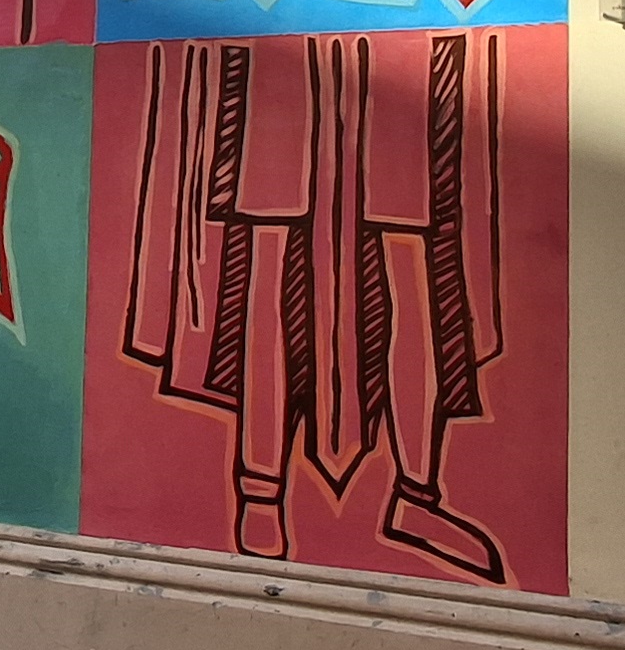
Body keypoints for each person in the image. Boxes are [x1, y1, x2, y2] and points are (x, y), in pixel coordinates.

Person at [122, 29, 510, 581]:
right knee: (268, 261)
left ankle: (415, 495)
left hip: (401, 57)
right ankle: (261, 489)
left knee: (410, 262)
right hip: (273, 61)